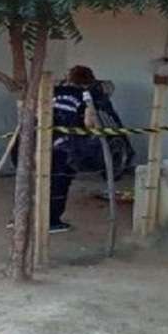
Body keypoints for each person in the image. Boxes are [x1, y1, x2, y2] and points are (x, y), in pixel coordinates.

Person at [50, 65, 99, 233]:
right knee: (59, 182)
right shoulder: (84, 97)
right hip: (64, 146)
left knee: (32, 181)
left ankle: (20, 219)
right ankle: (52, 222)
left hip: (35, 142)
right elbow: (89, 123)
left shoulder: (53, 91)